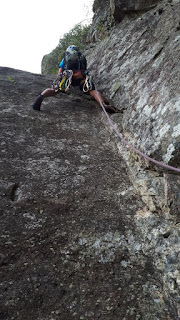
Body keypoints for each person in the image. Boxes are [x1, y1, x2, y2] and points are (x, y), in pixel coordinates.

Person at [32, 45, 116, 113]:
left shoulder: (65, 59)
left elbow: (60, 71)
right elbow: (84, 69)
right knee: (92, 91)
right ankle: (102, 104)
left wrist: (58, 80)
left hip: (68, 77)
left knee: (55, 90)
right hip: (80, 77)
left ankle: (41, 96)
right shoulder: (81, 57)